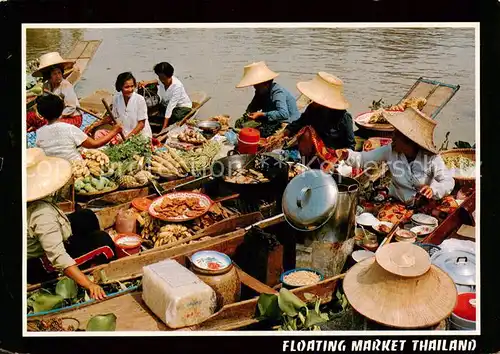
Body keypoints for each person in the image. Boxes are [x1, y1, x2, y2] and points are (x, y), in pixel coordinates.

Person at [26, 148, 116, 299]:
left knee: (86, 216)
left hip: (44, 238)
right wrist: (89, 284)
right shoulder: (42, 214)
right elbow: (58, 257)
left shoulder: (33, 202)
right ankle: (89, 268)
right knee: (104, 241)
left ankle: (85, 243)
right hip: (39, 264)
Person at [339, 107, 455, 205]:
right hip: (398, 204)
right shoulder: (390, 150)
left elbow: (448, 181)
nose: (392, 138)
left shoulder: (431, 158)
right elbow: (364, 159)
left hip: (424, 207)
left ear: (409, 141)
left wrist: (433, 190)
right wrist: (347, 155)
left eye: (396, 136)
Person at [276, 72, 355, 166]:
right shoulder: (312, 109)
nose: (312, 101)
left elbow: (351, 146)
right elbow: (299, 123)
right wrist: (282, 134)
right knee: (306, 131)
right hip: (313, 153)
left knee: (307, 132)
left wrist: (340, 155)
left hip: (332, 157)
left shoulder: (344, 118)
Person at [35, 94, 122, 162]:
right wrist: (114, 131)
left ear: (42, 115)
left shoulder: (39, 132)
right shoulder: (69, 128)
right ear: (61, 110)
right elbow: (95, 144)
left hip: (55, 168)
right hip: (75, 167)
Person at [236, 61, 300, 137]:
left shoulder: (277, 92)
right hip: (271, 119)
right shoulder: (261, 92)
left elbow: (284, 114)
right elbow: (253, 107)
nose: (254, 87)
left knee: (260, 133)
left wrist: (261, 114)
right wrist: (249, 113)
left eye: (257, 85)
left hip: (286, 122)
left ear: (265, 84)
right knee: (239, 123)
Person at [90, 72, 153, 141]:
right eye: (126, 87)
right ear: (120, 87)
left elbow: (141, 124)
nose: (130, 89)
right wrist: (94, 125)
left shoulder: (140, 99)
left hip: (139, 137)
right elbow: (112, 117)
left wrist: (127, 139)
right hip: (124, 135)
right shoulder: (117, 98)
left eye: (132, 86)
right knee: (98, 134)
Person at [32, 52, 83, 128]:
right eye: (54, 74)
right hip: (54, 116)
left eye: (59, 73)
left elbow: (71, 107)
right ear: (49, 76)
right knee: (32, 117)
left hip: (71, 117)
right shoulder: (46, 86)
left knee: (50, 126)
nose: (58, 76)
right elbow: (46, 104)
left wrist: (58, 117)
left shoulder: (66, 85)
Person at [138, 62, 192, 129]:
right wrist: (147, 82)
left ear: (168, 75)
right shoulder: (161, 80)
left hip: (181, 107)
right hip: (166, 103)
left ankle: (165, 125)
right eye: (159, 76)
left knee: (174, 116)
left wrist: (164, 127)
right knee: (152, 111)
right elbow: (157, 81)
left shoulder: (177, 86)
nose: (161, 79)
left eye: (162, 77)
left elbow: (170, 107)